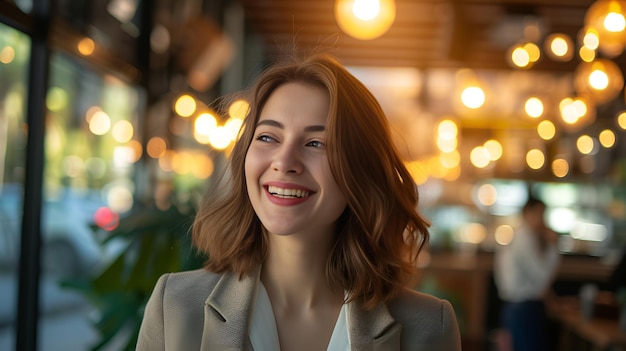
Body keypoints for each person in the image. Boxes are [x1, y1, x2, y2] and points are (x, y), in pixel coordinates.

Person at [136, 53, 461, 350]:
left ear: (360, 171)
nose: (284, 160)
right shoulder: (176, 306)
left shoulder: (429, 325)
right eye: (267, 137)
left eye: (316, 142)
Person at [493, 196, 560, 351]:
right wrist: (553, 247)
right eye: (539, 214)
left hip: (516, 308)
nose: (542, 220)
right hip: (524, 310)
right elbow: (542, 278)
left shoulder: (519, 236)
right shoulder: (524, 239)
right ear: (527, 213)